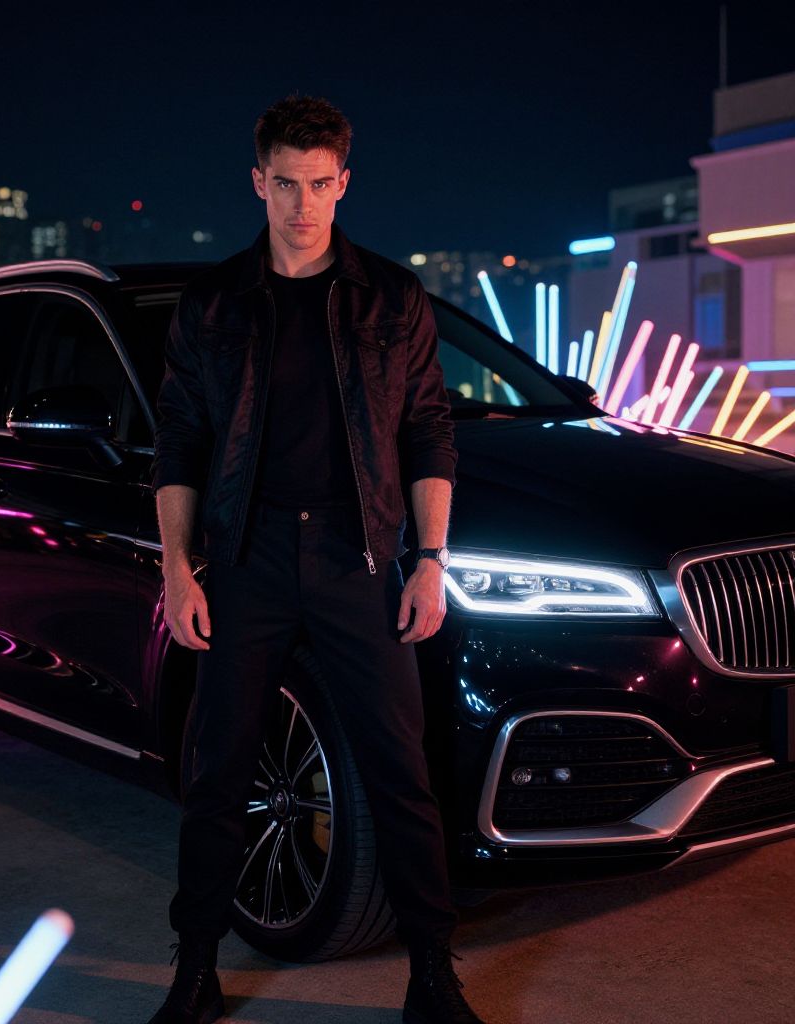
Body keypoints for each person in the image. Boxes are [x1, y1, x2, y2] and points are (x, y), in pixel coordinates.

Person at [148, 94, 485, 1024]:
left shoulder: (392, 295)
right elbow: (177, 442)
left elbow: (428, 432)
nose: (304, 205)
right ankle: (197, 969)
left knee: (401, 775)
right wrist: (180, 571)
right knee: (218, 773)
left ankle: (432, 975)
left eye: (321, 185)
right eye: (286, 185)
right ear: (259, 181)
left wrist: (430, 560)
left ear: (345, 181)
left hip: (358, 558)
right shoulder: (213, 303)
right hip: (246, 557)